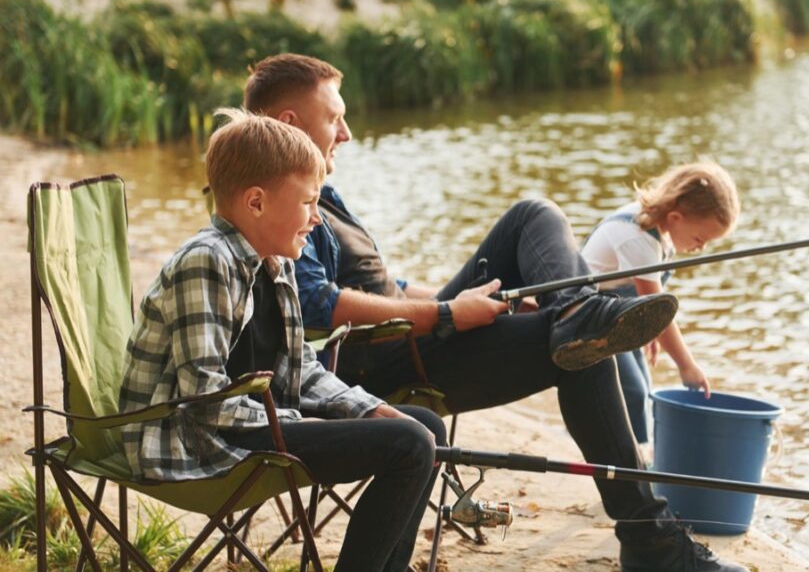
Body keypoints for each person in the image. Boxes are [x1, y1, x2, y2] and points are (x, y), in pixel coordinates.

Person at [242, 52, 748, 572]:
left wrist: (463, 302)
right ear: (290, 124)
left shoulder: (320, 194)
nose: (346, 133)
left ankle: (577, 310)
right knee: (575, 347)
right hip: (379, 362)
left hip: (407, 334)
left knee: (535, 222)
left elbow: (379, 285)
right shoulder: (280, 207)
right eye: (335, 118)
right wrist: (445, 315)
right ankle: (653, 542)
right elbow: (315, 306)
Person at [119, 110, 447, 572]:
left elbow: (302, 367)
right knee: (409, 445)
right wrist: (301, 423)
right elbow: (206, 397)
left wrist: (363, 407)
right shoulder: (206, 261)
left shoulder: (275, 262)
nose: (316, 219)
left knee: (425, 427)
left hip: (253, 421)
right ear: (256, 203)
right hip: (196, 439)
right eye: (309, 203)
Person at [581, 162, 740, 448]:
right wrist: (687, 366)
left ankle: (639, 452)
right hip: (587, 314)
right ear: (676, 216)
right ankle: (630, 456)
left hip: (618, 312)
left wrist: (647, 327)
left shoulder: (660, 228)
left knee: (644, 385)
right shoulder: (639, 235)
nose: (700, 247)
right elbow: (656, 307)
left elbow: (649, 300)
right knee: (631, 390)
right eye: (699, 238)